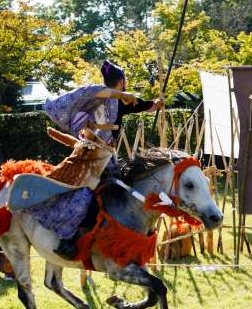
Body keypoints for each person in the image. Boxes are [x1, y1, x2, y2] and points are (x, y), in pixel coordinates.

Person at [38, 60, 164, 259]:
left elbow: (146, 106)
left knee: (122, 189)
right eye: (124, 81)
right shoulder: (96, 93)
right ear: (121, 81)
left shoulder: (123, 101)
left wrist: (156, 104)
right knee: (84, 194)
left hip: (108, 157)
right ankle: (67, 240)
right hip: (88, 156)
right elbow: (102, 92)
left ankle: (117, 232)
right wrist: (123, 95)